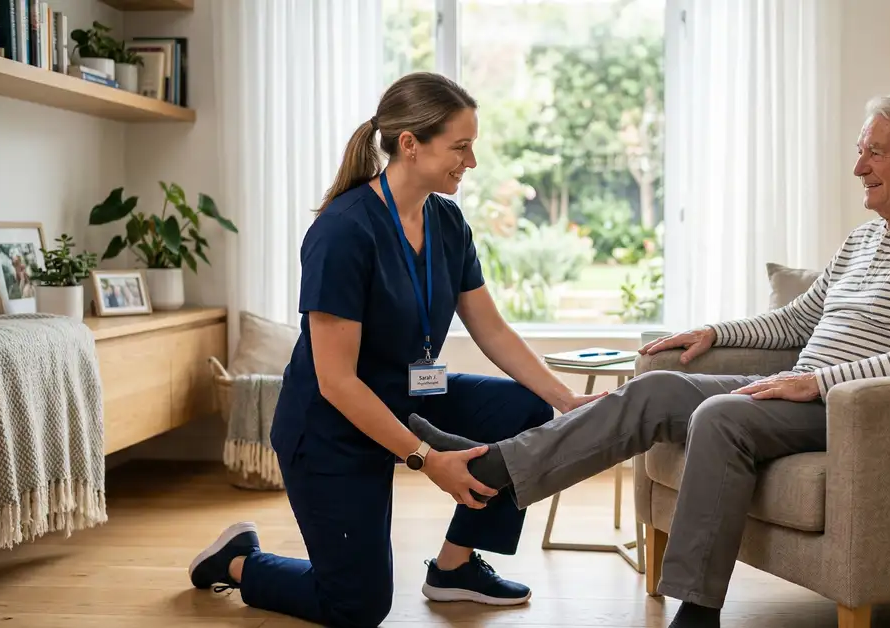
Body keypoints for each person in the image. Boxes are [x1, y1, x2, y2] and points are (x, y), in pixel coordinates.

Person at [405, 90, 890, 628]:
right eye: (860, 150)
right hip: (798, 388)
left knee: (719, 414)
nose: (858, 167)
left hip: (853, 408)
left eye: (875, 152)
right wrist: (714, 332)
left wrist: (818, 382)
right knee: (655, 389)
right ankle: (493, 470)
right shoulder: (864, 238)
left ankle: (697, 612)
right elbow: (799, 319)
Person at [185, 72, 606, 628]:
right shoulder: (343, 231)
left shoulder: (447, 220)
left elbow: (492, 329)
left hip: (410, 393)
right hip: (332, 423)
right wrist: (427, 460)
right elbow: (336, 382)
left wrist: (564, 399)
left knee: (526, 410)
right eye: (460, 147)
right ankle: (240, 560)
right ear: (410, 144)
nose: (471, 162)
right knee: (356, 607)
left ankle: (454, 569)